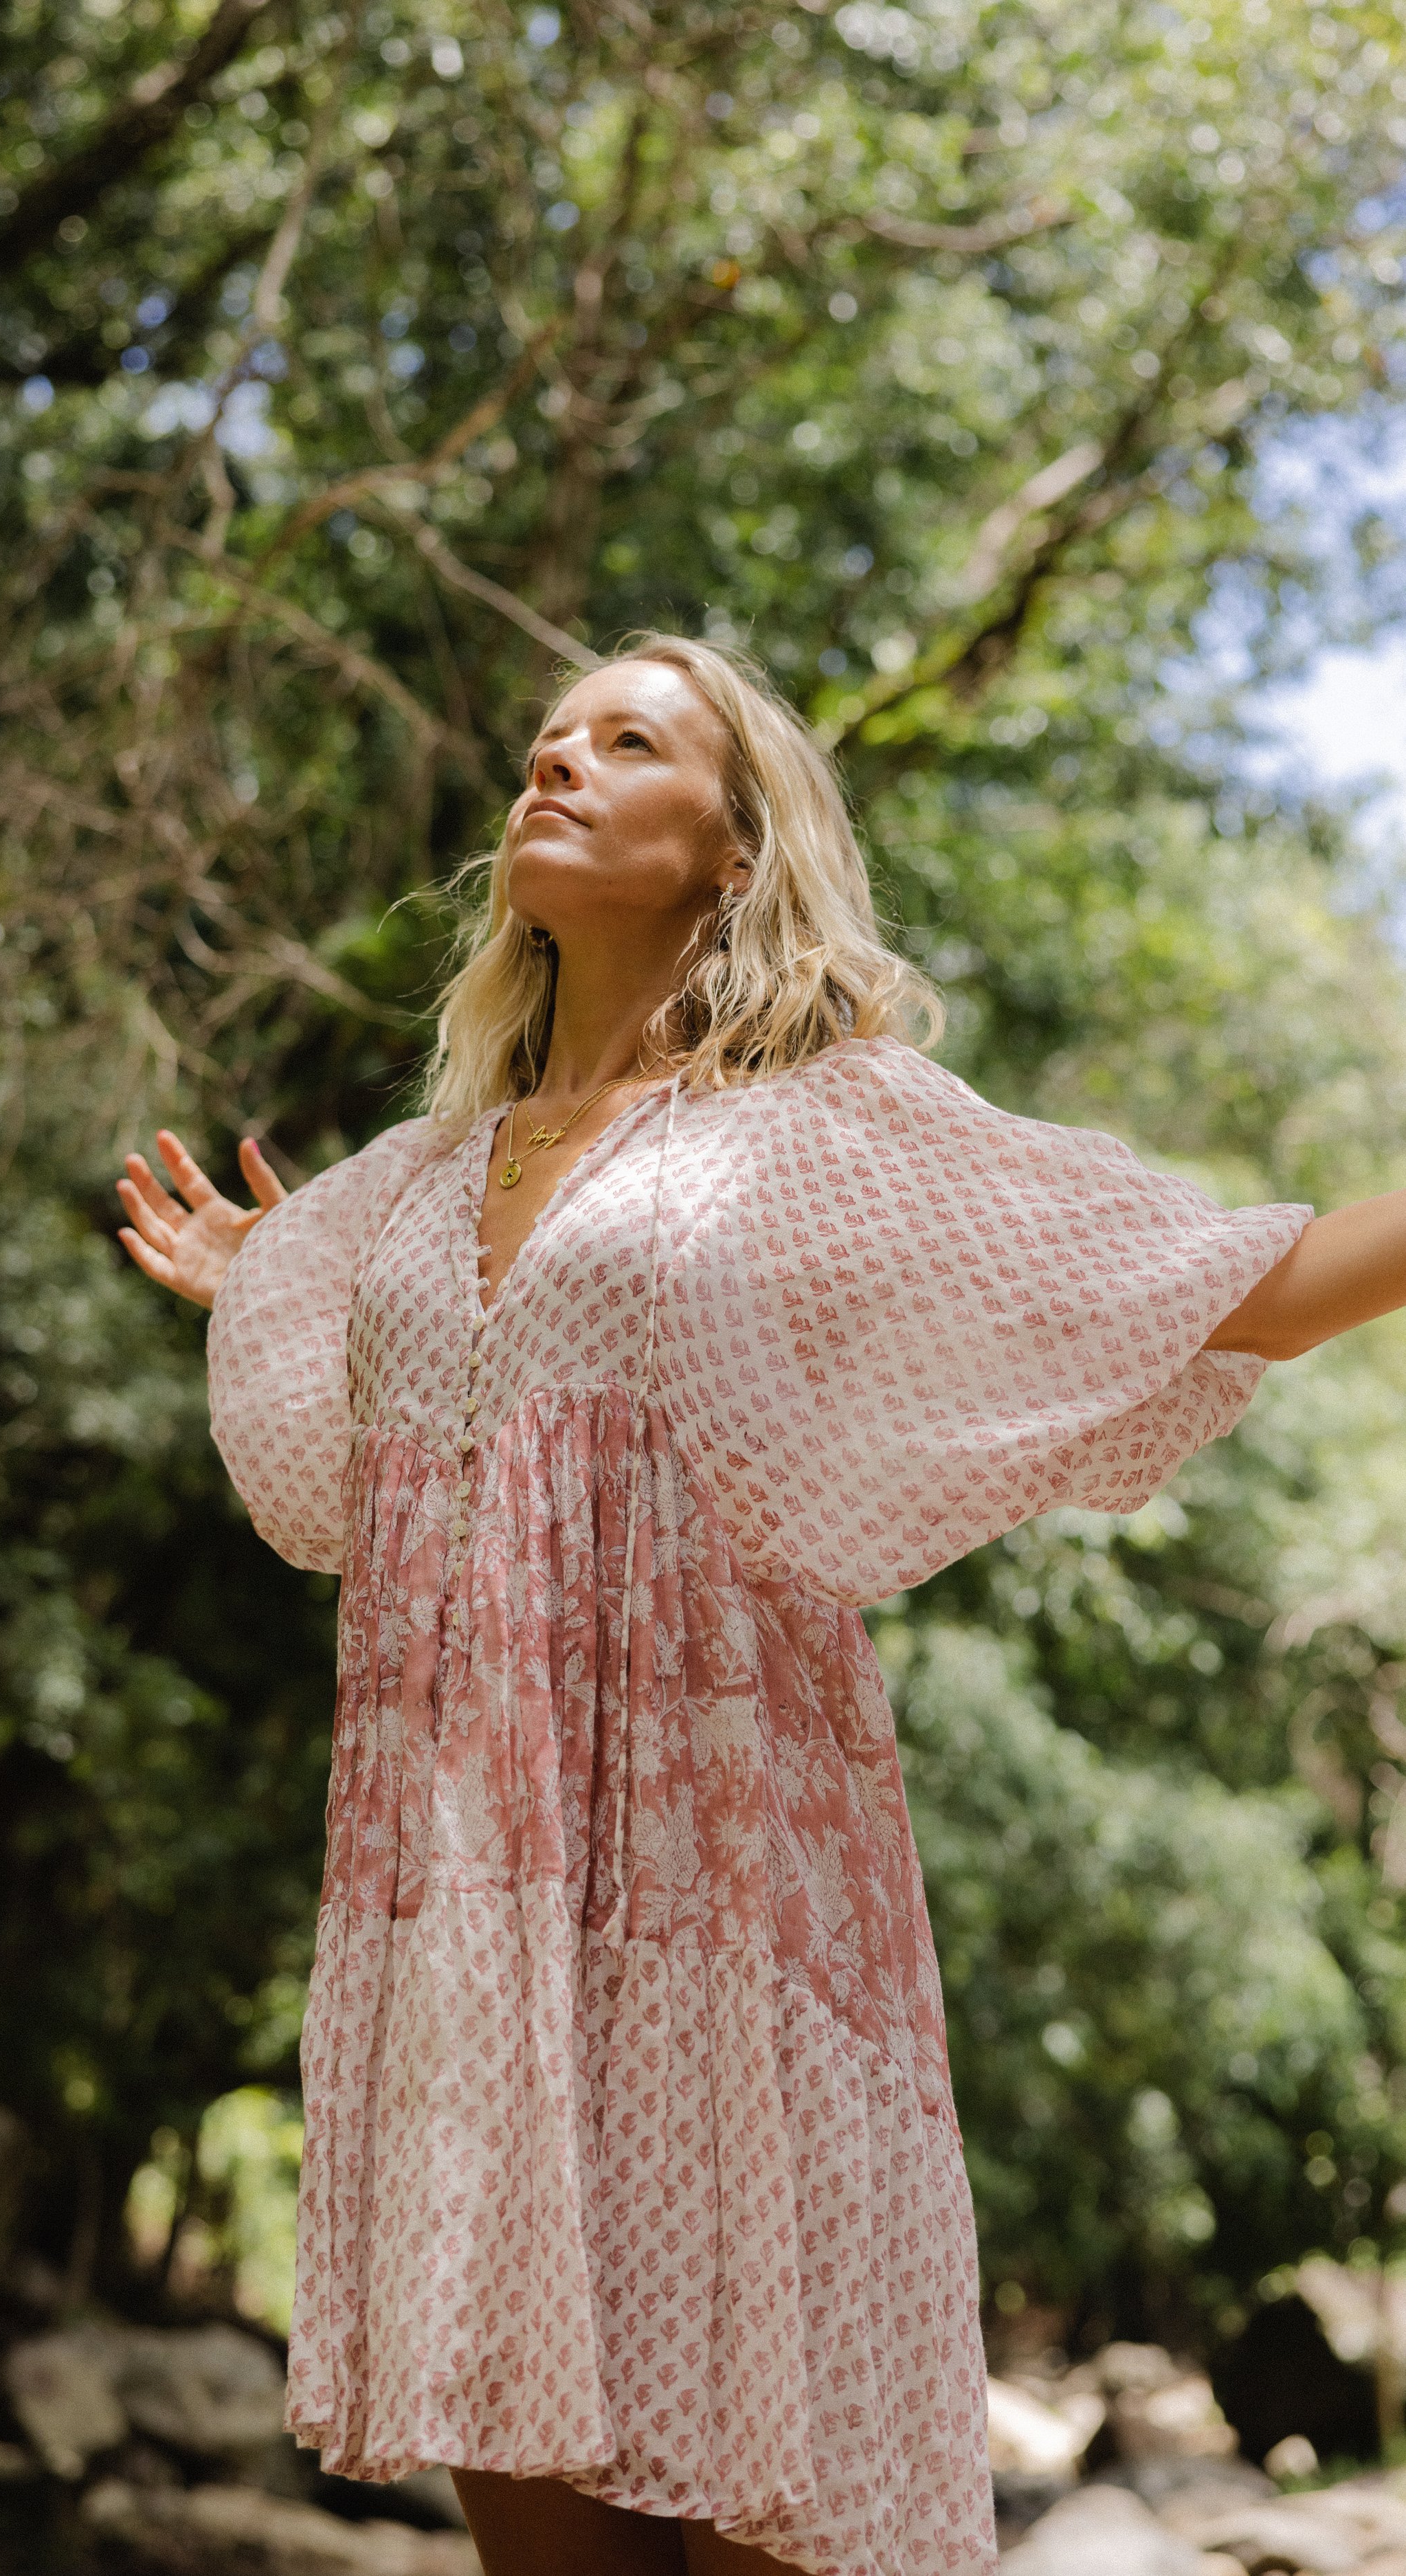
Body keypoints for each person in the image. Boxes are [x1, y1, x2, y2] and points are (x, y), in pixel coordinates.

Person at [115, 635, 1406, 2576]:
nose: (555, 765)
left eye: (625, 743)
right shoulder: (401, 1188)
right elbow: (356, 1432)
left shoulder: (819, 1134)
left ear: (734, 849)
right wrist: (272, 1279)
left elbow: (1262, 1286)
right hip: (476, 1953)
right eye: (546, 743)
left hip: (736, 1940)